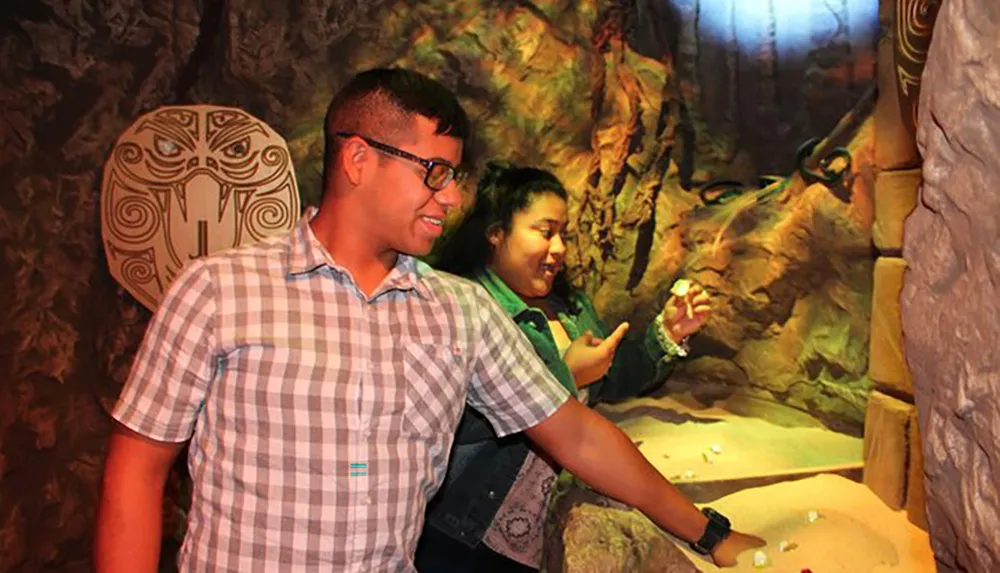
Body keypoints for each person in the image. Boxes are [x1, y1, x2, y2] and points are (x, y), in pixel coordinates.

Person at [94, 68, 763, 573]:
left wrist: (706, 530)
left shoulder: (460, 310)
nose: (453, 196)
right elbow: (137, 466)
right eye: (435, 172)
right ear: (358, 159)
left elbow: (578, 437)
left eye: (456, 175)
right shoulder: (218, 291)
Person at [415, 162, 730, 572]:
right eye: (545, 232)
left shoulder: (569, 308)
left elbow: (614, 378)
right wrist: (568, 376)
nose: (559, 248)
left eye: (563, 233)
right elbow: (465, 421)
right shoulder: (464, 310)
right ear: (496, 233)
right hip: (470, 536)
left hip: (548, 529)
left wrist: (666, 333)